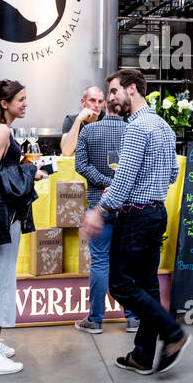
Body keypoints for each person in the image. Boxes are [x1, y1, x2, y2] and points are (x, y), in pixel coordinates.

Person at [81, 68, 189, 376]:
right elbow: (171, 175)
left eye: (114, 92)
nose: (110, 99)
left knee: (120, 284)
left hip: (137, 216)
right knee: (147, 285)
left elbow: (124, 178)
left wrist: (99, 211)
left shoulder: (137, 128)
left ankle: (173, 333)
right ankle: (143, 355)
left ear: (132, 89)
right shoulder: (164, 126)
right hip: (155, 213)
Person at [0, 78, 46, 378]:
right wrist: (29, 171)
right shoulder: (2, 130)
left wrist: (27, 169)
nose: (25, 104)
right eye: (21, 100)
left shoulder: (2, 129)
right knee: (2, 282)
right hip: (2, 214)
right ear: (5, 104)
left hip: (2, 211)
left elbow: (1, 169)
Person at [72, 93, 140, 334]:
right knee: (126, 262)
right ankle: (132, 317)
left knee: (100, 261)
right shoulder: (134, 131)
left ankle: (96, 319)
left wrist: (103, 183)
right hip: (127, 205)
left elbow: (80, 164)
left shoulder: (89, 132)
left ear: (104, 107)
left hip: (97, 204)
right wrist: (116, 184)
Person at [60, 86, 104, 156]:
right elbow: (66, 152)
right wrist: (79, 119)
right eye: (92, 100)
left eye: (100, 101)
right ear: (83, 102)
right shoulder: (71, 120)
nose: (97, 105)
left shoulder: (105, 119)